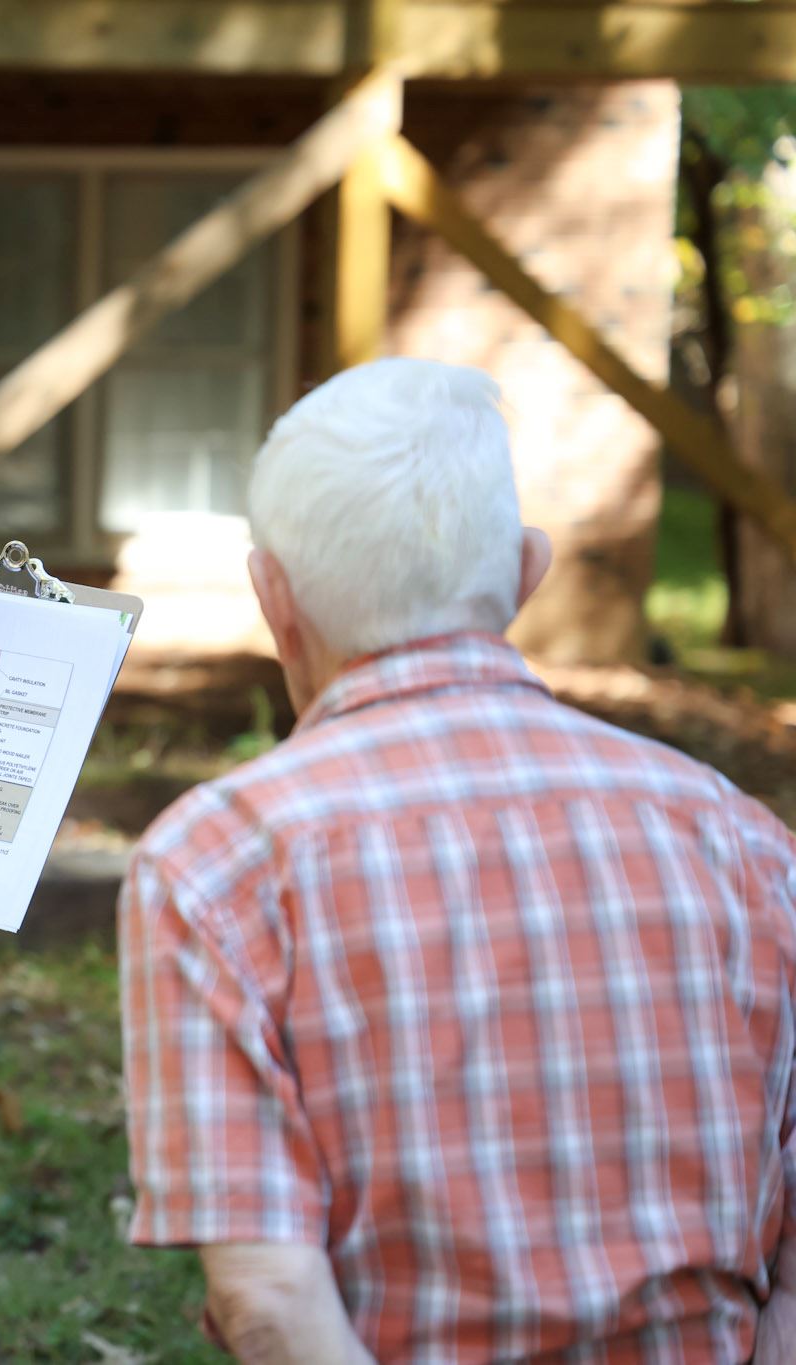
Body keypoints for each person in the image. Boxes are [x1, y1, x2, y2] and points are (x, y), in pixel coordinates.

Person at [118, 357, 796, 1362]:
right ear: (525, 572)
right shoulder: (739, 837)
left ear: (272, 596)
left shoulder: (212, 863)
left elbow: (267, 1299)